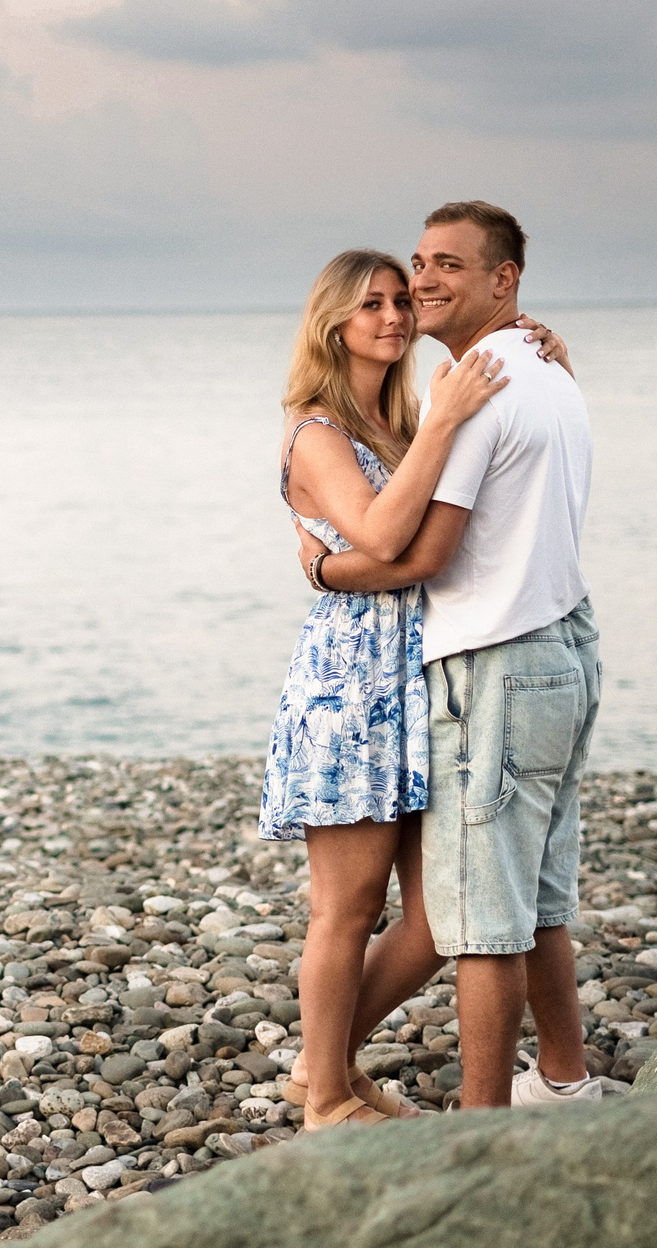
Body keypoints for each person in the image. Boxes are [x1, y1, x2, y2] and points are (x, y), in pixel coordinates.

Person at [304, 200, 612, 1109]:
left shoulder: (473, 392)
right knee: (536, 900)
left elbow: (422, 553)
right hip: (565, 647)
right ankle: (563, 1083)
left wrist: (324, 565)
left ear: (503, 280)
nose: (423, 286)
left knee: (482, 921)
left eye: (446, 267)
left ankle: (483, 1132)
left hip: (496, 664)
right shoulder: (549, 372)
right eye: (415, 266)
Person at [258, 247, 564, 1130]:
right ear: (333, 324)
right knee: (346, 909)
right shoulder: (317, 432)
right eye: (372, 306)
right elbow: (388, 536)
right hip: (353, 687)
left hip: (421, 676)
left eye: (401, 300)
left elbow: (428, 531)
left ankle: (326, 1062)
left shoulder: (395, 424)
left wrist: (544, 359)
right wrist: (442, 423)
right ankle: (324, 1097)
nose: (394, 317)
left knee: (438, 915)